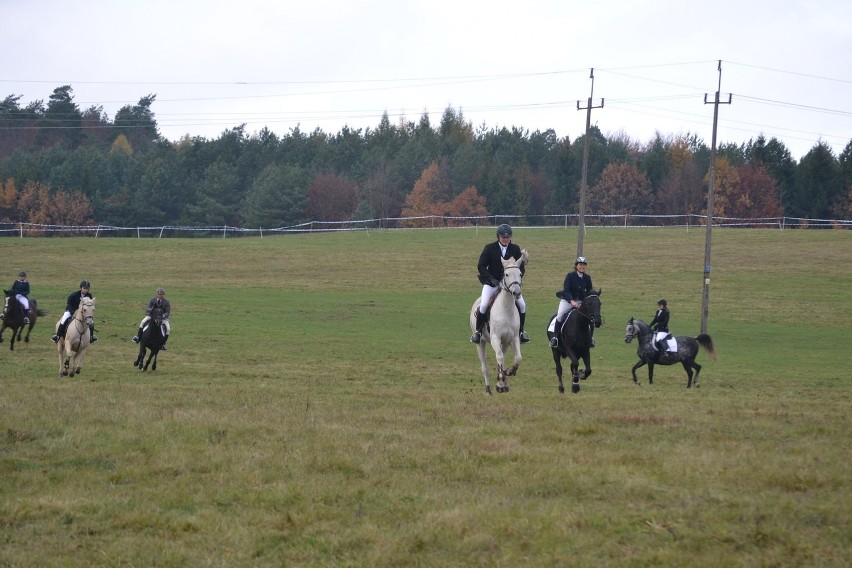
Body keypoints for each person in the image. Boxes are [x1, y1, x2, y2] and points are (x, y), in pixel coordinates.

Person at [470, 224, 529, 344]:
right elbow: (481, 266)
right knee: (484, 304)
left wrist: (517, 277)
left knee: (522, 305)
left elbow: (521, 268)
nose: (506, 239)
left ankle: (521, 333)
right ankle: (478, 332)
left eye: (507, 237)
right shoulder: (490, 248)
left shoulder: (515, 249)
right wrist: (490, 278)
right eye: (503, 237)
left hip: (510, 285)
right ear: (498, 237)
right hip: (493, 283)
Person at [549, 256, 595, 348]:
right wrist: (572, 301)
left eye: (584, 265)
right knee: (560, 316)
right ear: (576, 266)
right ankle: (555, 338)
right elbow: (566, 290)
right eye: (580, 264)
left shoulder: (587, 277)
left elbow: (589, 291)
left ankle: (590, 339)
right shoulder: (570, 276)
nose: (582, 266)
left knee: (590, 317)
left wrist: (588, 301)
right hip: (568, 300)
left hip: (581, 302)